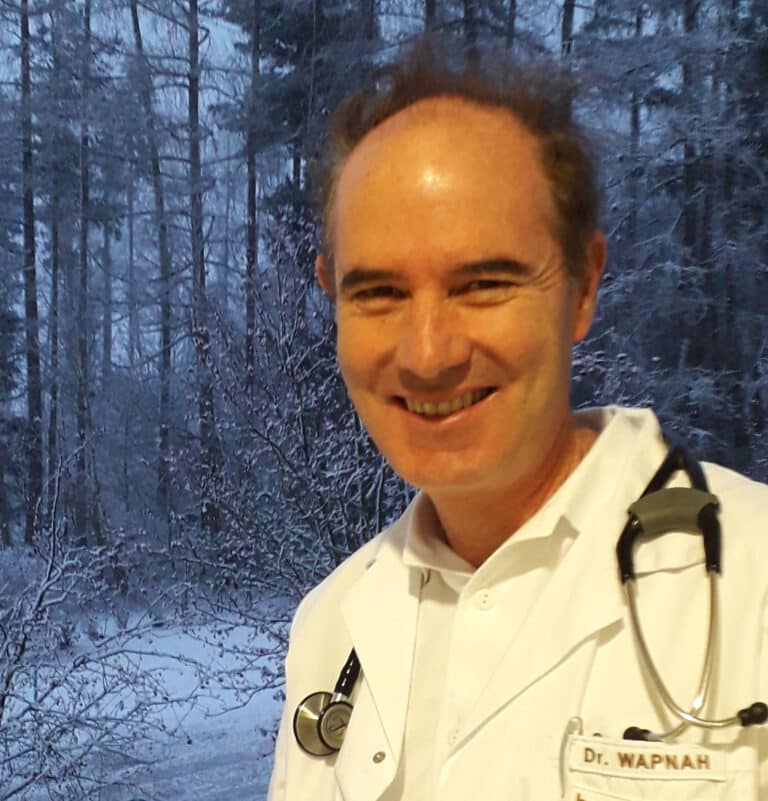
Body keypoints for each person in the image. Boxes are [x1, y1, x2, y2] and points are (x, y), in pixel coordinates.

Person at [267, 37, 768, 801]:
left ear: (583, 286)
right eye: (379, 293)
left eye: (483, 284)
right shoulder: (331, 628)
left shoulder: (752, 582)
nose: (428, 353)